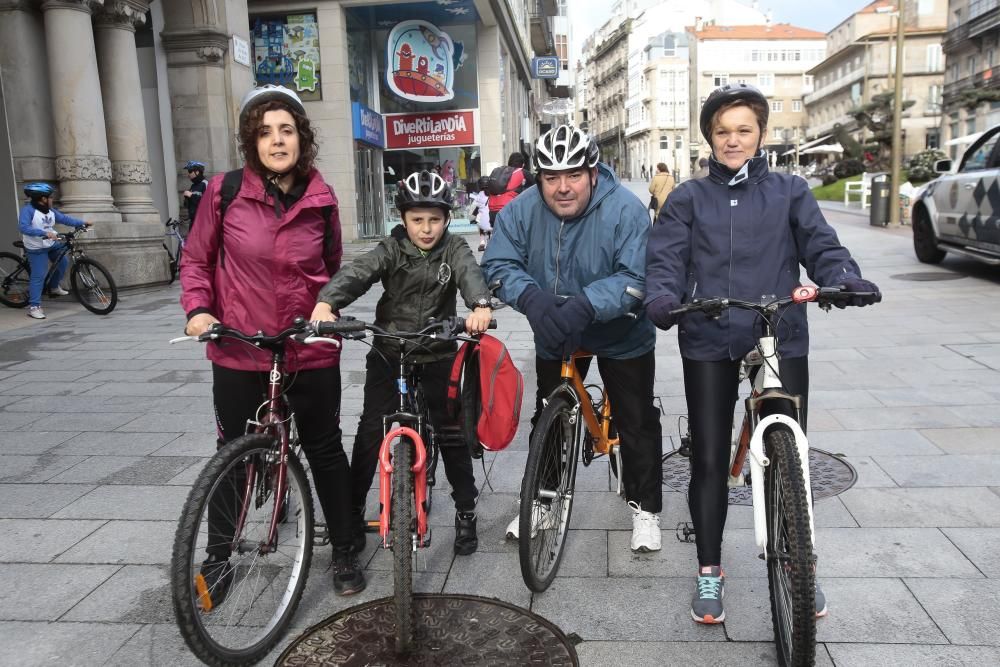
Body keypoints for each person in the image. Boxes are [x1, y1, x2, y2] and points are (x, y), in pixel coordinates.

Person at [643, 83, 880, 624]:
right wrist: (661, 294)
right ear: (709, 137)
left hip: (779, 332)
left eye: (743, 130)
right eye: (723, 131)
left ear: (761, 134)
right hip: (708, 333)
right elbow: (666, 259)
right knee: (707, 458)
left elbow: (819, 243)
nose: (733, 140)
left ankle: (799, 564)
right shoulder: (687, 198)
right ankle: (709, 569)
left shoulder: (790, 192)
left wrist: (842, 278)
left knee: (788, 453)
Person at [180, 84, 365, 599]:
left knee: (325, 447)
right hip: (241, 346)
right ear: (251, 141)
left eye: (286, 130)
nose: (277, 141)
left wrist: (327, 309)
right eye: (265, 132)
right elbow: (196, 260)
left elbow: (330, 269)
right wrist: (199, 310)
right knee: (234, 454)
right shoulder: (224, 192)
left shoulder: (322, 199)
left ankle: (345, 547)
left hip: (307, 344)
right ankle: (219, 557)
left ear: (301, 138)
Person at [482, 124, 663, 553]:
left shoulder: (626, 209)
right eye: (551, 178)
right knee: (548, 411)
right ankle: (544, 502)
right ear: (538, 179)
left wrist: (587, 303)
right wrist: (530, 297)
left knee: (636, 420)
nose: (563, 187)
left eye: (574, 175)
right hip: (556, 328)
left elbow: (638, 275)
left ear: (593, 173)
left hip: (621, 329)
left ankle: (646, 508)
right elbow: (499, 262)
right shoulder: (521, 211)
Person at [311, 170, 492, 557]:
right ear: (403, 219)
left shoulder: (454, 249)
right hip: (389, 352)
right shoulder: (392, 248)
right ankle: (352, 511)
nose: (426, 229)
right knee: (368, 434)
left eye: (434, 219)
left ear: (446, 219)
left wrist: (479, 305)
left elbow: (469, 274)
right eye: (417, 220)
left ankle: (465, 510)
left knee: (451, 433)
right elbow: (360, 272)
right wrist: (329, 301)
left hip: (437, 350)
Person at [17, 182, 91, 320]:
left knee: (63, 261)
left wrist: (82, 223)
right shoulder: (28, 210)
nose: (52, 199)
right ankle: (34, 307)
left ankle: (54, 286)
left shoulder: (50, 211)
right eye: (50, 197)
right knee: (39, 274)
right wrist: (41, 232)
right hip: (36, 247)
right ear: (42, 199)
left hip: (51, 243)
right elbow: (23, 227)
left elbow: (64, 219)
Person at [486, 152, 528, 232]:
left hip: (492, 212)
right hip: (508, 212)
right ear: (522, 164)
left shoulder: (500, 172)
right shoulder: (521, 172)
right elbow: (537, 186)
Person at [469, 177, 492, 251]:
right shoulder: (493, 193)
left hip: (482, 224)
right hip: (492, 223)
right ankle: (490, 240)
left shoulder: (480, 194)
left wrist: (471, 217)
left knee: (480, 218)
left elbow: (473, 206)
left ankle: (482, 242)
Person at [182, 160, 207, 225]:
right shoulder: (193, 186)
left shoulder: (205, 184)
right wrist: (186, 199)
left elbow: (207, 203)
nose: (188, 174)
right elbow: (189, 204)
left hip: (203, 222)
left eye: (190, 171)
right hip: (193, 221)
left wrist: (191, 196)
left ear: (197, 172)